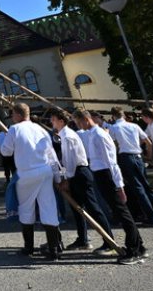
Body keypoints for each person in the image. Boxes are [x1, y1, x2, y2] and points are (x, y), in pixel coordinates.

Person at [73, 109, 146, 264]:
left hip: (107, 175)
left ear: (86, 119)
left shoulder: (99, 135)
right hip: (100, 174)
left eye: (79, 122)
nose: (78, 126)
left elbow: (111, 162)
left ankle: (134, 249)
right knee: (119, 211)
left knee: (122, 212)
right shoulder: (92, 134)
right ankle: (139, 245)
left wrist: (119, 186)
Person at [0, 103, 63, 260]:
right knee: (48, 207)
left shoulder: (14, 129)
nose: (12, 117)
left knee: (26, 208)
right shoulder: (40, 129)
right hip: (45, 171)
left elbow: (5, 152)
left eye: (13, 114)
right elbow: (51, 155)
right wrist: (58, 177)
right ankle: (54, 249)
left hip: (27, 174)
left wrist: (8, 138)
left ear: (18, 114)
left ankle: (29, 248)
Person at [50, 109, 115, 254]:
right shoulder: (64, 135)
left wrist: (66, 178)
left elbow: (71, 160)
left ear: (61, 121)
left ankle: (109, 241)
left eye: (53, 120)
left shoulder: (68, 136)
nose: (51, 122)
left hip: (79, 173)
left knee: (93, 208)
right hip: (75, 173)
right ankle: (82, 239)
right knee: (77, 208)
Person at [107, 106, 153, 228]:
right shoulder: (134, 126)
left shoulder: (114, 128)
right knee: (147, 187)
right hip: (138, 156)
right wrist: (149, 156)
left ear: (113, 116)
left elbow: (113, 145)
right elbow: (148, 143)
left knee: (139, 189)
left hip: (126, 157)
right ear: (123, 115)